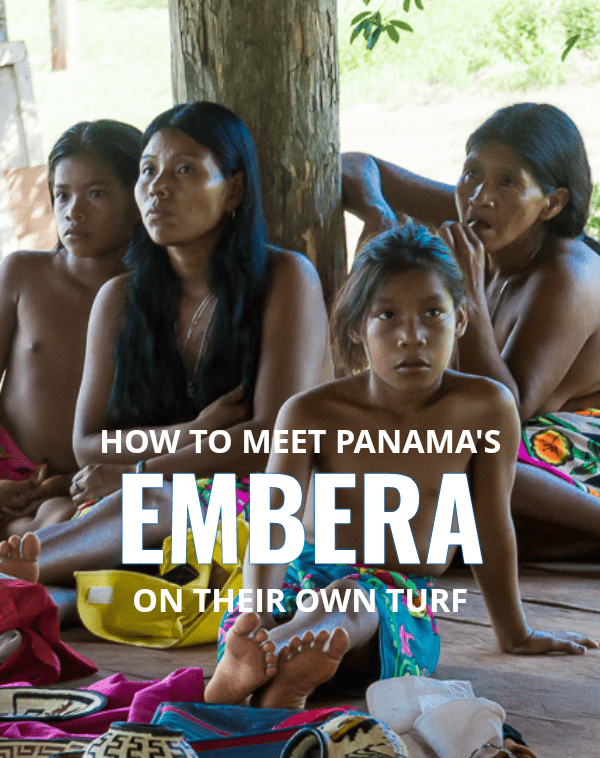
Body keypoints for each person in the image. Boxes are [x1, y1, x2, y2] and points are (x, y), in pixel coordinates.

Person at [207, 225, 597, 711]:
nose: (411, 336)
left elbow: (489, 526)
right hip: (296, 579)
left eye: (432, 313)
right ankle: (266, 663)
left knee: (350, 599)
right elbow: (272, 525)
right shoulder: (310, 412)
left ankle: (271, 667)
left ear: (459, 320)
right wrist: (258, 615)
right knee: (275, 618)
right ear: (357, 329)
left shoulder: (485, 407)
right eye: (387, 315)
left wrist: (515, 633)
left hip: (397, 595)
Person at [33, 101, 331, 585]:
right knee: (75, 524)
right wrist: (192, 432)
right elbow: (88, 443)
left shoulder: (285, 279)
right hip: (159, 513)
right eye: (147, 170)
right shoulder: (119, 299)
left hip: (278, 519)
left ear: (234, 189)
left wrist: (142, 472)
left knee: (147, 506)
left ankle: (16, 576)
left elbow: (274, 437)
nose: (158, 186)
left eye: (185, 169)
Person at [342, 103, 600, 559]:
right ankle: (571, 544)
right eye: (471, 173)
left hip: (574, 443)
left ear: (552, 203)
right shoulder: (481, 216)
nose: (481, 195)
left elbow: (504, 416)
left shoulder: (566, 276)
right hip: (513, 441)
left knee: (457, 466)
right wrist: (380, 214)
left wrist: (469, 299)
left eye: (507, 181)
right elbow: (358, 165)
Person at [0, 120, 142, 538]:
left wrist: (70, 483)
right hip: (8, 473)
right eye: (62, 195)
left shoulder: (153, 300)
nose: (73, 211)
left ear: (138, 199)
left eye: (96, 194)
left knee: (58, 525)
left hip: (83, 488)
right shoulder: (23, 274)